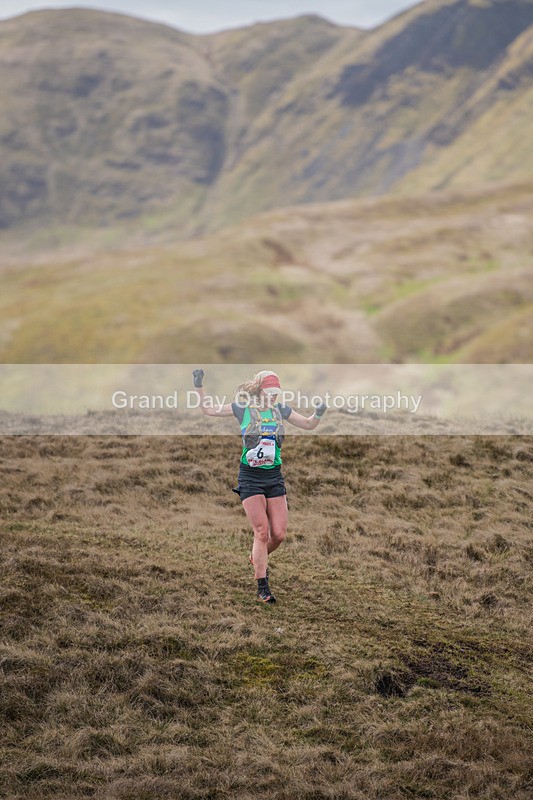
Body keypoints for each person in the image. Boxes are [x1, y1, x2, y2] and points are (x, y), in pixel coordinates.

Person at [192, 368, 327, 604]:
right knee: (261, 532)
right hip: (250, 478)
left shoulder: (280, 410)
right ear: (260, 389)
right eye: (270, 391)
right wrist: (199, 385)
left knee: (279, 534)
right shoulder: (243, 407)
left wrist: (318, 413)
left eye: (277, 392)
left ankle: (257, 557)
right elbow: (208, 409)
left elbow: (308, 424)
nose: (274, 396)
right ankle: (262, 587)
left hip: (274, 477)